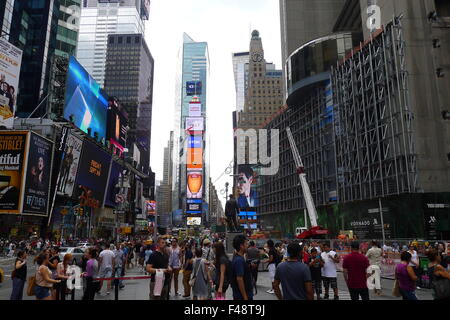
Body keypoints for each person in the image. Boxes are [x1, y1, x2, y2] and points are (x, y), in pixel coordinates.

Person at [230, 235, 253, 300]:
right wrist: (245, 297)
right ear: (241, 246)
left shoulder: (239, 258)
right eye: (246, 243)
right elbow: (239, 279)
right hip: (241, 296)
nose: (247, 245)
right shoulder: (239, 260)